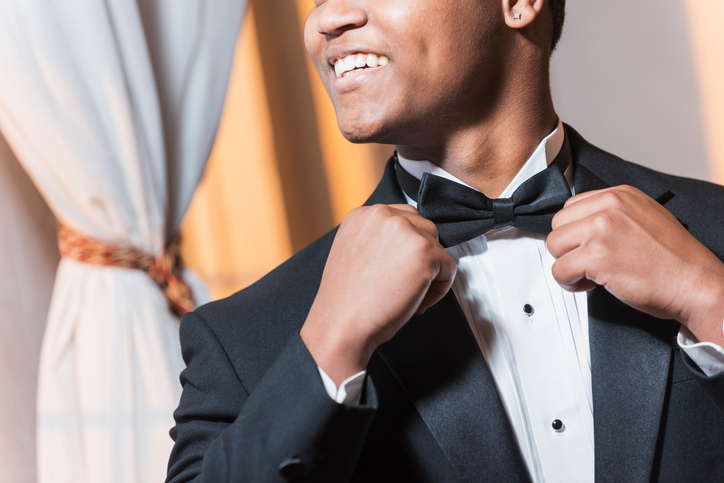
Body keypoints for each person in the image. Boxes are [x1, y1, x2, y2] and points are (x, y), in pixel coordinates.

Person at [166, 0, 724, 481]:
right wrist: (331, 348)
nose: (328, 19)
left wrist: (710, 300)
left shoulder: (712, 235)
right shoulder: (243, 337)